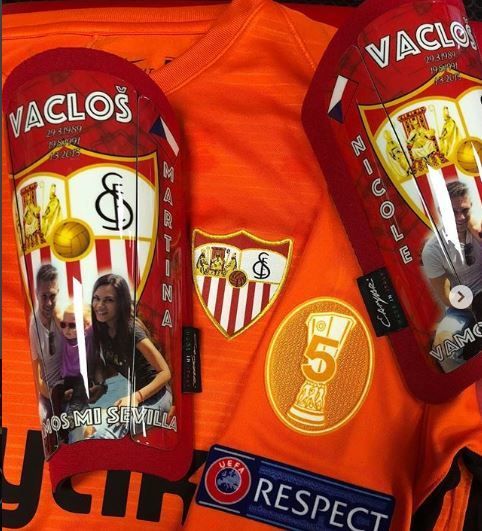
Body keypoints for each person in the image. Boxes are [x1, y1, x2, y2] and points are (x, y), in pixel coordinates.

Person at [88, 273, 172, 439]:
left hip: (157, 397)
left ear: (121, 303)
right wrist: (101, 387)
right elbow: (120, 364)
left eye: (108, 300)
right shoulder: (103, 330)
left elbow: (165, 373)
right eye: (96, 298)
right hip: (135, 397)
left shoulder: (132, 330)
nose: (99, 305)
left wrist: (136, 398)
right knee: (90, 428)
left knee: (103, 435)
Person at [422, 181, 482, 370]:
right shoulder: (432, 250)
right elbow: (446, 297)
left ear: (471, 206)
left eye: (464, 210)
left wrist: (476, 231)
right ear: (441, 212)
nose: (460, 217)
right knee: (444, 346)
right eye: (453, 212)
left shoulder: (478, 228)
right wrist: (475, 306)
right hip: (461, 306)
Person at [29, 264, 62, 452]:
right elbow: (38, 378)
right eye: (44, 296)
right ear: (36, 293)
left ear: (58, 292)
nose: (49, 302)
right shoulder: (33, 328)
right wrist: (55, 398)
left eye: (53, 296)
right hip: (50, 395)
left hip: (71, 386)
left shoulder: (63, 318)